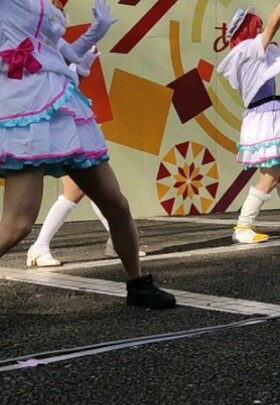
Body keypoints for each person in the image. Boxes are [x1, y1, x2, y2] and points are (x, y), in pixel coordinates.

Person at [0, 0, 174, 309]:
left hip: (63, 106)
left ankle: (137, 285)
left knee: (116, 203)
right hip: (26, 110)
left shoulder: (47, 6)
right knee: (18, 223)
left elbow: (63, 52)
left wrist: (94, 34)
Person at [27, 47, 148, 267]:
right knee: (79, 189)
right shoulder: (38, 46)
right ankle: (39, 246)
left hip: (68, 121)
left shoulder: (54, 46)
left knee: (91, 188)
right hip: (50, 125)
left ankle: (114, 240)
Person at [217, 1, 280, 244]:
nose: (262, 29)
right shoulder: (249, 50)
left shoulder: (246, 52)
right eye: (257, 26)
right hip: (264, 117)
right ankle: (243, 225)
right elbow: (274, 25)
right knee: (271, 175)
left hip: (267, 114)